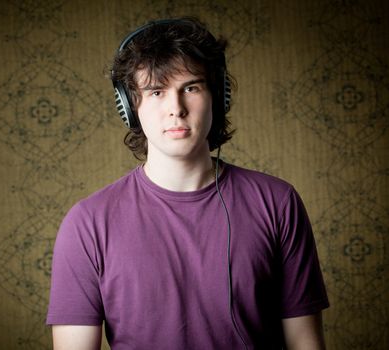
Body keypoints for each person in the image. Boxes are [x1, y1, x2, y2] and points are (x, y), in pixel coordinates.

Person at [47, 17, 329, 349]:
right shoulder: (87, 223)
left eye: (191, 87)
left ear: (218, 97)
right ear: (129, 107)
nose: (176, 109)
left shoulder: (278, 202)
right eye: (156, 91)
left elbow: (305, 342)